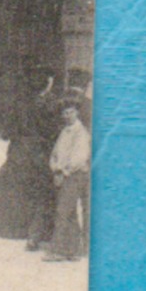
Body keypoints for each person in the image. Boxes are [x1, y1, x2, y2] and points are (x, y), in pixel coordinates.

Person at [0, 67, 61, 244]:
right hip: (39, 152)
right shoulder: (49, 104)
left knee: (11, 189)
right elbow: (53, 132)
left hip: (18, 153)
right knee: (41, 191)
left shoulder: (19, 103)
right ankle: (37, 232)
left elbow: (6, 133)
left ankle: (6, 229)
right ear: (47, 83)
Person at [45, 96, 91, 262]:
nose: (67, 116)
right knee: (69, 213)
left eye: (70, 112)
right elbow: (55, 153)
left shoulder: (81, 133)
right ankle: (72, 250)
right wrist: (55, 168)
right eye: (65, 113)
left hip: (75, 176)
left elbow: (79, 158)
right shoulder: (64, 131)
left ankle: (58, 250)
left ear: (77, 113)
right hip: (62, 174)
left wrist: (64, 172)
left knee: (63, 211)